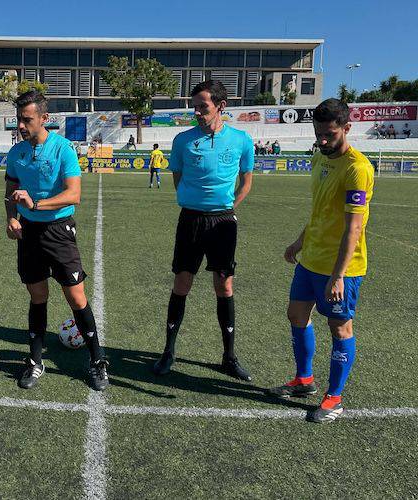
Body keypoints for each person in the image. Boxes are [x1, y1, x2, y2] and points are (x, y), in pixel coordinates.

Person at [267, 98, 374, 424]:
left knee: (339, 327)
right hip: (310, 259)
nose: (322, 141)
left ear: (347, 128)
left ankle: (335, 397)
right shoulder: (319, 158)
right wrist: (299, 243)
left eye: (330, 134)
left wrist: (338, 276)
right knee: (296, 314)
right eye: (318, 134)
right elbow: (320, 212)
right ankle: (304, 380)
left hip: (342, 268)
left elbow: (353, 228)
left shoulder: (357, 169)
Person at [4, 90, 109, 391]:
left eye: (27, 120)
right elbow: (10, 191)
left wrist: (35, 204)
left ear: (44, 118)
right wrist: (12, 217)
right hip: (29, 233)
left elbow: (73, 195)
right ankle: (35, 362)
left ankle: (98, 361)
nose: (21, 126)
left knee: (76, 298)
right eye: (18, 120)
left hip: (59, 231)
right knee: (37, 297)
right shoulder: (16, 153)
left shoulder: (63, 149)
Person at [152, 80, 253, 381]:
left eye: (202, 106)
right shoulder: (183, 140)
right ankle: (168, 352)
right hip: (191, 220)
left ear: (221, 106)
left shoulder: (241, 140)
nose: (196, 111)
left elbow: (246, 180)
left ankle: (229, 357)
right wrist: (191, 200)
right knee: (182, 283)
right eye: (194, 105)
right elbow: (178, 177)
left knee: (224, 286)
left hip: (223, 223)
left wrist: (230, 206)